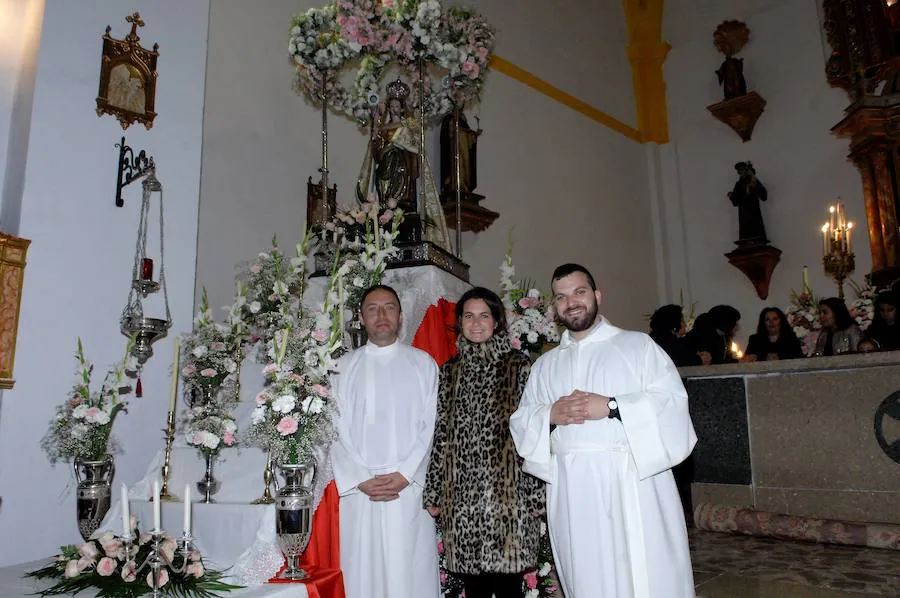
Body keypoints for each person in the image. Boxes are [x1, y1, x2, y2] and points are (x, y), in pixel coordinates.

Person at [510, 264, 696, 598]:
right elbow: (522, 421)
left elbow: (672, 404)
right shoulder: (545, 365)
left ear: (596, 296)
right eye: (562, 297)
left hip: (632, 483)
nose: (571, 303)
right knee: (586, 576)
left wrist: (612, 406)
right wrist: (550, 414)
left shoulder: (637, 346)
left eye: (579, 292)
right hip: (571, 488)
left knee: (643, 576)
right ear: (554, 307)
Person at [424, 287, 544, 598]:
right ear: (459, 322)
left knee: (508, 589)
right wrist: (434, 490)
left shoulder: (518, 366)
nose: (476, 324)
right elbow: (441, 435)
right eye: (468, 316)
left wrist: (536, 496)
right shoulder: (450, 371)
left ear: (497, 321)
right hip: (461, 500)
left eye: (484, 316)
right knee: (473, 589)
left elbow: (534, 433)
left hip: (508, 500)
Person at [329, 284, 441, 598]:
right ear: (361, 318)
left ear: (400, 316)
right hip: (362, 492)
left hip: (407, 491)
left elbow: (431, 426)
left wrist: (406, 475)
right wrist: (361, 478)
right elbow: (334, 429)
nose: (381, 315)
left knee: (411, 576)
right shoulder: (341, 368)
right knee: (362, 576)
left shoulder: (424, 364)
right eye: (373, 308)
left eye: (389, 307)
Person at [356, 78, 451, 251]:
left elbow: (415, 148)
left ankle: (399, 206)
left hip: (402, 163)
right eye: (391, 105)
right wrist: (377, 131)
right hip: (386, 163)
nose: (394, 108)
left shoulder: (408, 125)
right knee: (383, 180)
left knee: (401, 179)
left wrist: (404, 138)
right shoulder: (383, 127)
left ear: (401, 107)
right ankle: (386, 207)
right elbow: (376, 151)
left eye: (397, 106)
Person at [728, 162, 768, 245]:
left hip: (753, 209)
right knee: (745, 230)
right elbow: (735, 202)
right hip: (743, 212)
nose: (740, 172)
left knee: (755, 226)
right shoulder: (738, 184)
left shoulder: (753, 180)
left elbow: (763, 195)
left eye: (741, 170)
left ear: (746, 170)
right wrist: (731, 196)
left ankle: (757, 240)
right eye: (739, 171)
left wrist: (754, 184)